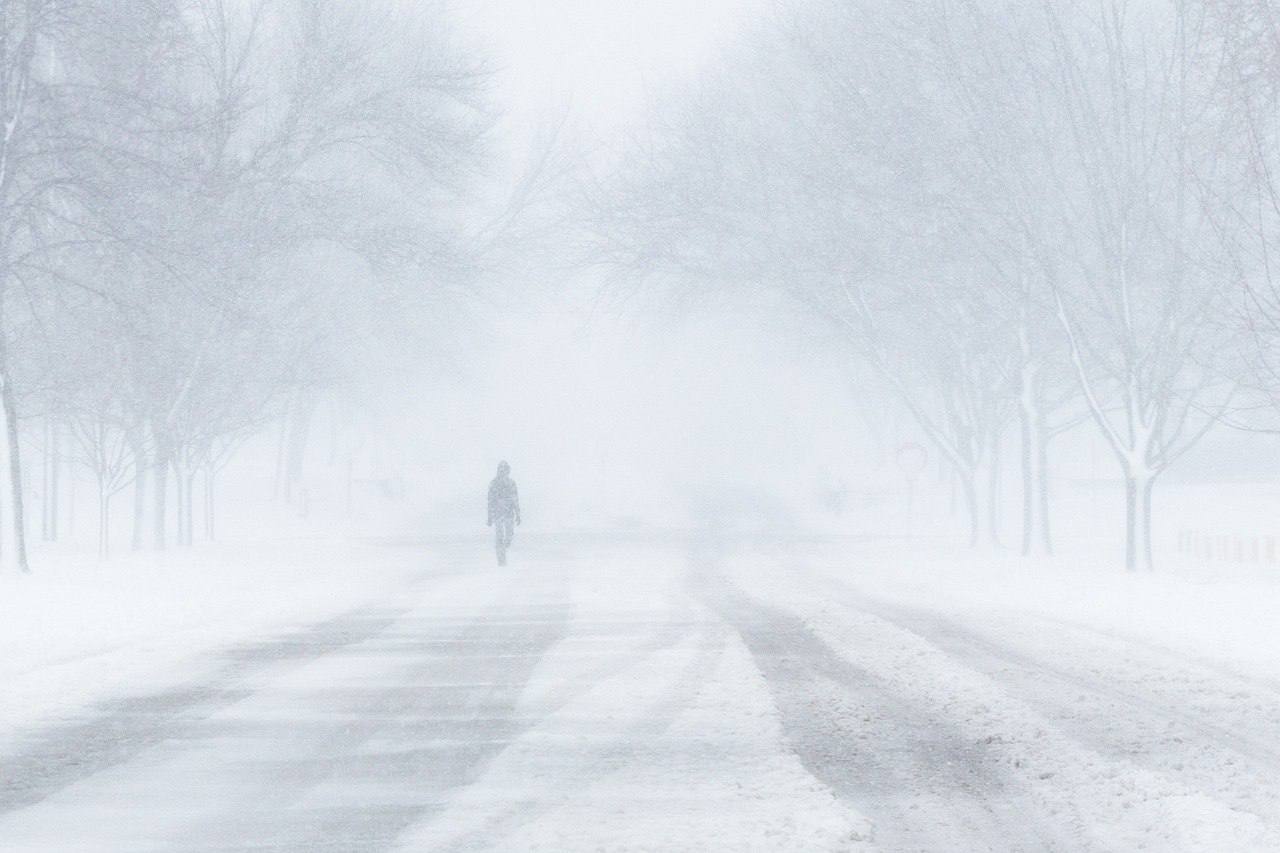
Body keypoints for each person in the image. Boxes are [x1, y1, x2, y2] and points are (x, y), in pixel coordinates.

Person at [486, 461, 521, 565]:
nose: (502, 471)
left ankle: (502, 552)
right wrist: (489, 516)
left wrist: (518, 514)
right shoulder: (493, 483)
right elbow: (490, 500)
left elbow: (515, 499)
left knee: (509, 536)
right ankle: (501, 561)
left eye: (505, 469)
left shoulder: (511, 483)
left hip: (509, 513)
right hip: (498, 513)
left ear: (507, 471)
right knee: (499, 536)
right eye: (501, 469)